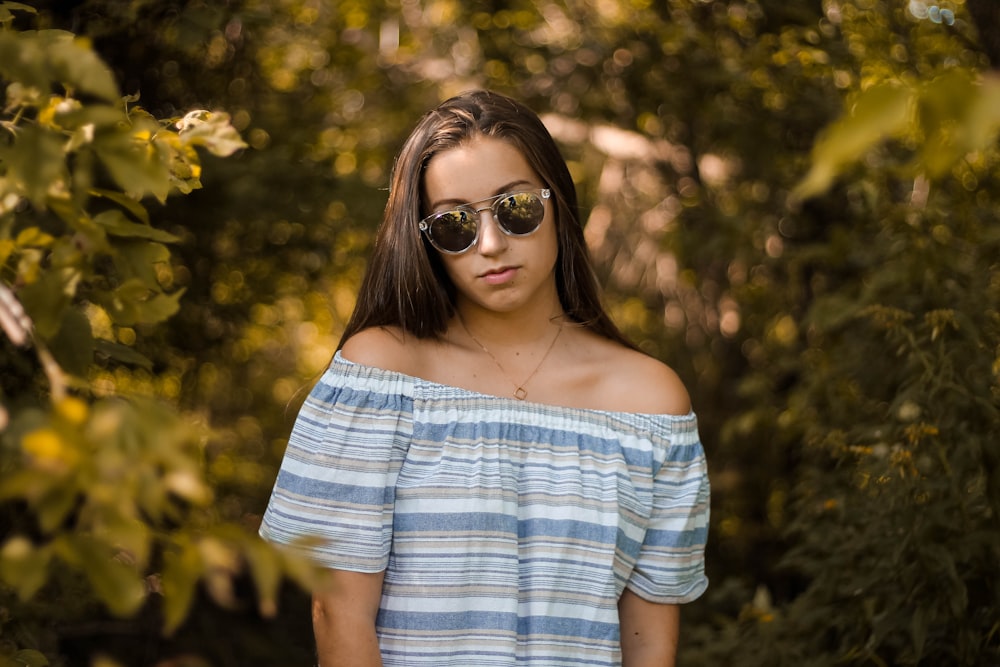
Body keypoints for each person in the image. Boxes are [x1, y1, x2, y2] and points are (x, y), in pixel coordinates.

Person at [259, 89, 709, 667]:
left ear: (559, 202)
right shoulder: (378, 379)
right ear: (424, 239)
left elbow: (650, 637)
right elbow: (339, 615)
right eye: (455, 224)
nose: (491, 245)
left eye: (516, 208)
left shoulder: (652, 404)